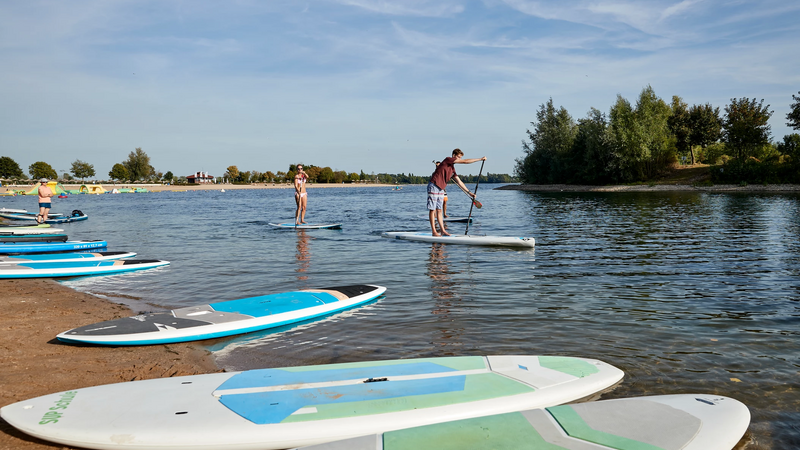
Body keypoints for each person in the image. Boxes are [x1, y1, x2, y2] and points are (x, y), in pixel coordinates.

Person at [428, 149, 486, 236]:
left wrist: (469, 192)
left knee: (439, 210)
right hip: (434, 185)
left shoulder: (452, 169)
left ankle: (443, 230)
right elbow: (465, 162)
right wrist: (480, 159)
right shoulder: (448, 160)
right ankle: (434, 231)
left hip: (441, 188)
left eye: (460, 157)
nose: (459, 159)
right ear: (454, 155)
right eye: (458, 157)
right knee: (433, 210)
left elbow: (459, 182)